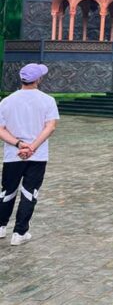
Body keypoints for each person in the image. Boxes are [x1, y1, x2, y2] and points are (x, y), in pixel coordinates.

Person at [0, 63, 59, 246]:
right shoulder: (47, 100)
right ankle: (20, 233)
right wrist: (32, 147)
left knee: (7, 191)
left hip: (13, 154)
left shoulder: (6, 101)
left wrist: (19, 144)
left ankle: (1, 226)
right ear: (38, 79)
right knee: (29, 192)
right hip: (37, 155)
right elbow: (50, 127)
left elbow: (1, 129)